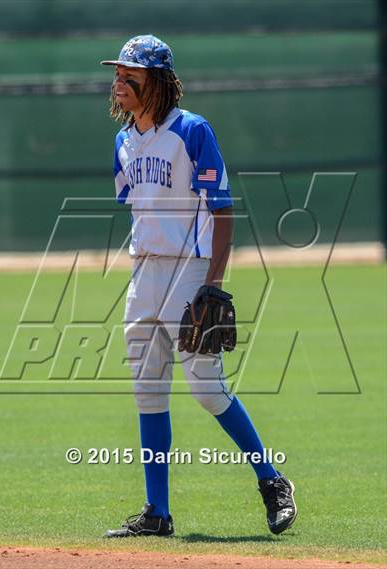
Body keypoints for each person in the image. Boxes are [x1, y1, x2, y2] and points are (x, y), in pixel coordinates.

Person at [100, 35, 297, 538]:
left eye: (132, 75)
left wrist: (212, 284)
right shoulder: (124, 140)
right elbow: (138, 207)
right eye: (118, 74)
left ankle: (272, 481)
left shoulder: (191, 131)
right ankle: (157, 513)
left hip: (190, 268)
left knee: (207, 390)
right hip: (144, 270)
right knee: (147, 390)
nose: (120, 82)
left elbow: (223, 210)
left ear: (159, 81)